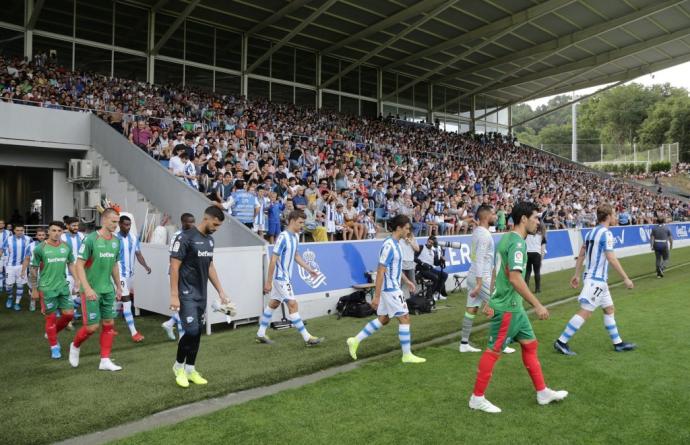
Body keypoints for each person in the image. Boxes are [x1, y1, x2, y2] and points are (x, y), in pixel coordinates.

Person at [469, 202, 567, 413]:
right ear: (523, 218)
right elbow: (514, 278)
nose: (537, 222)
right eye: (535, 218)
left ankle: (542, 392)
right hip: (508, 308)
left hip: (514, 308)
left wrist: (490, 298)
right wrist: (538, 304)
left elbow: (498, 271)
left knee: (530, 345)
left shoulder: (505, 238)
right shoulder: (518, 244)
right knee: (493, 351)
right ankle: (477, 398)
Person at [554, 204, 637, 356]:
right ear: (608, 217)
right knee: (586, 311)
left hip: (597, 280)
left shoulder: (590, 233)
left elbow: (581, 254)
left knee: (609, 309)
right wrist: (626, 278)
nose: (615, 218)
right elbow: (611, 258)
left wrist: (577, 274)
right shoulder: (606, 234)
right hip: (596, 280)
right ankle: (561, 341)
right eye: (613, 215)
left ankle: (618, 343)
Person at [346, 215, 426, 364]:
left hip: (392, 288)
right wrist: (376, 297)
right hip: (390, 289)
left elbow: (394, 267)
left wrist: (407, 280)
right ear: (399, 228)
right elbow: (380, 271)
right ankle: (407, 355)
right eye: (407, 228)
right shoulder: (389, 245)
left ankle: (355, 340)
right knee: (405, 318)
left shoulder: (397, 244)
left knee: (384, 319)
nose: (408, 232)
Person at [169, 206, 232, 388]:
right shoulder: (185, 238)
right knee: (191, 331)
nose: (216, 228)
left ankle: (190, 369)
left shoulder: (210, 241)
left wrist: (221, 291)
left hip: (201, 295)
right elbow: (174, 267)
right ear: (206, 218)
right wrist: (174, 295)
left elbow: (210, 266)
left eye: (219, 225)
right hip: (185, 293)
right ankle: (178, 366)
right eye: (215, 224)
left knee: (197, 334)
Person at [256, 210, 323, 346]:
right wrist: (268, 282)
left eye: (303, 223)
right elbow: (273, 260)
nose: (302, 226)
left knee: (274, 303)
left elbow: (296, 256)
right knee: (293, 304)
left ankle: (260, 333)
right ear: (292, 221)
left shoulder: (296, 236)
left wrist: (309, 270)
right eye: (300, 223)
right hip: (280, 278)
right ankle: (307, 338)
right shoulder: (283, 237)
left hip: (285, 277)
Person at [68, 208, 124, 371]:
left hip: (108, 290)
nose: (116, 225)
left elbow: (114, 264)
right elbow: (79, 264)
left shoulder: (116, 241)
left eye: (117, 222)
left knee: (109, 324)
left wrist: (118, 286)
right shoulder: (90, 240)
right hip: (91, 290)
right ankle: (75, 345)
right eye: (113, 221)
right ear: (104, 220)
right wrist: (86, 288)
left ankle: (105, 360)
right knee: (92, 327)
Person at [460, 205, 515, 354]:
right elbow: (479, 259)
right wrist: (479, 283)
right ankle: (500, 344)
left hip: (473, 275)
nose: (496, 216)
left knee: (471, 308)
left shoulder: (478, 231)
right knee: (500, 306)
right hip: (481, 277)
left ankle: (464, 344)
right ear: (486, 217)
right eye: (493, 214)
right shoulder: (484, 235)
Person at [28, 221, 79, 359]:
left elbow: (71, 264)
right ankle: (54, 346)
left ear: (62, 232)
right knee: (50, 318)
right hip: (46, 288)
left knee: (69, 315)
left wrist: (77, 281)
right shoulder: (40, 248)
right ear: (48, 232)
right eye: (54, 230)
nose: (56, 233)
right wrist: (34, 288)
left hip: (62, 286)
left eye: (59, 231)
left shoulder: (66, 247)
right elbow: (33, 269)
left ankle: (51, 332)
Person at [116, 215, 152, 343]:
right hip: (119, 274)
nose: (128, 227)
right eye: (125, 224)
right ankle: (134, 332)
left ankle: (108, 325)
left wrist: (146, 266)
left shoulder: (133, 237)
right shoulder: (114, 238)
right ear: (119, 224)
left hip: (130, 274)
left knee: (116, 301)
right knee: (127, 301)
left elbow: (138, 254)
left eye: (129, 225)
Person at [161, 213, 195, 341]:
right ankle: (182, 336)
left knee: (185, 304)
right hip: (176, 273)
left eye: (193, 222)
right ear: (182, 222)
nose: (191, 224)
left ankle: (170, 324)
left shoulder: (192, 235)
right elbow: (173, 258)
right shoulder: (178, 236)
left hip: (185, 274)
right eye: (188, 222)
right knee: (182, 305)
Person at [2, 223, 32, 311]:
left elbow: (34, 249)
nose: (19, 232)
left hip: (22, 266)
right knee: (8, 286)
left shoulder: (28, 239)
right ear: (14, 231)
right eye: (17, 230)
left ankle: (17, 303)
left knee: (20, 285)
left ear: (24, 231)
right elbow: (2, 249)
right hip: (10, 266)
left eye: (21, 230)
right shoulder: (8, 239)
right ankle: (10, 297)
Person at [61, 217, 85, 324]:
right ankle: (68, 320)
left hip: (80, 270)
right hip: (67, 270)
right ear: (67, 226)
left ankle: (72, 315)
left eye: (77, 225)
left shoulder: (81, 236)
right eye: (73, 225)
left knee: (77, 294)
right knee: (68, 295)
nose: (76, 227)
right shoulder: (62, 237)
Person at [21, 227, 47, 312]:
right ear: (36, 236)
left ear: (45, 235)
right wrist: (23, 270)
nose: (41, 237)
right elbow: (27, 259)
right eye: (39, 235)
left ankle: (45, 306)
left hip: (46, 270)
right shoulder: (31, 246)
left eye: (43, 235)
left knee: (45, 288)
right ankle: (33, 302)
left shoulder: (49, 245)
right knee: (33, 287)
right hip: (34, 269)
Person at [415, 235, 448, 301]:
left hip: (430, 269)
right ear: (427, 240)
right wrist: (422, 263)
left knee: (444, 275)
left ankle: (436, 293)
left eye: (431, 243)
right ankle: (429, 295)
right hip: (421, 269)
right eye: (429, 242)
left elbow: (436, 263)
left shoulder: (434, 251)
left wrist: (441, 260)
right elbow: (413, 257)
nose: (429, 243)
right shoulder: (421, 247)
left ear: (433, 244)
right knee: (435, 277)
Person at [525, 223, 546, 293]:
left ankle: (526, 288)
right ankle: (537, 289)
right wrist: (541, 260)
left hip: (527, 253)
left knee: (528, 271)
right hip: (537, 254)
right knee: (537, 272)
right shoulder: (542, 236)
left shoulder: (527, 234)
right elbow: (543, 249)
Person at [399, 231, 419, 300]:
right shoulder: (400, 240)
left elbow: (417, 249)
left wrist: (411, 242)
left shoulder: (413, 239)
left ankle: (413, 299)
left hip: (410, 263)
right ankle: (399, 299)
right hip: (402, 263)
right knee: (400, 283)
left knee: (412, 282)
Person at [0, 219, 11, 296]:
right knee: (0, 270)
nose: (1, 224)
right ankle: (1, 285)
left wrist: (2, 250)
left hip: (6, 254)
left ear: (4, 225)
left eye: (2, 223)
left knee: (6, 270)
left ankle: (6, 283)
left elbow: (10, 242)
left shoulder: (9, 233)